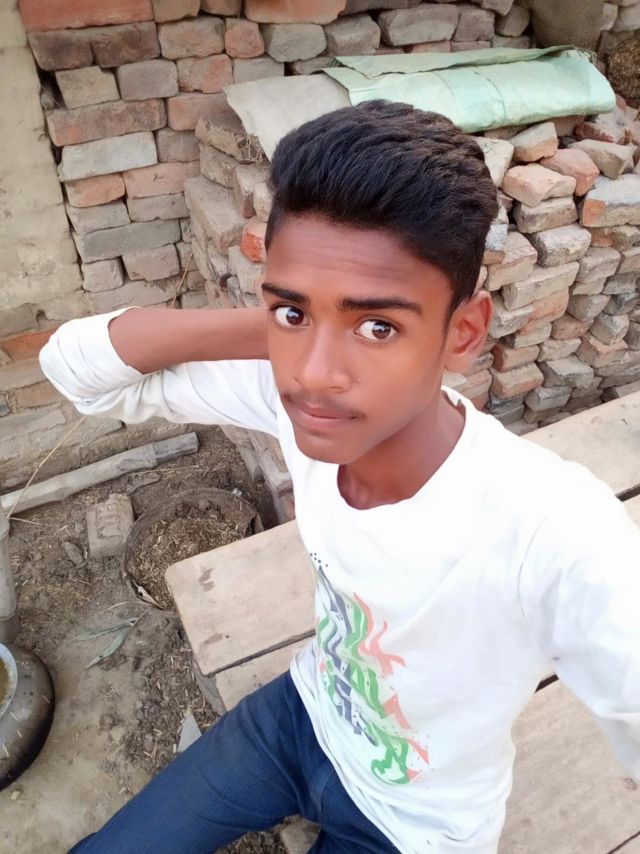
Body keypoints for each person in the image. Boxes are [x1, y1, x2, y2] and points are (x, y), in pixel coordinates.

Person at [40, 101, 639, 854]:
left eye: (378, 325)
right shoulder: (297, 395)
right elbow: (78, 370)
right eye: (291, 313)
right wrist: (285, 323)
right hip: (300, 716)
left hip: (415, 822)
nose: (314, 376)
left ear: (462, 332)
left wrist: (306, 318)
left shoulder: (554, 533)